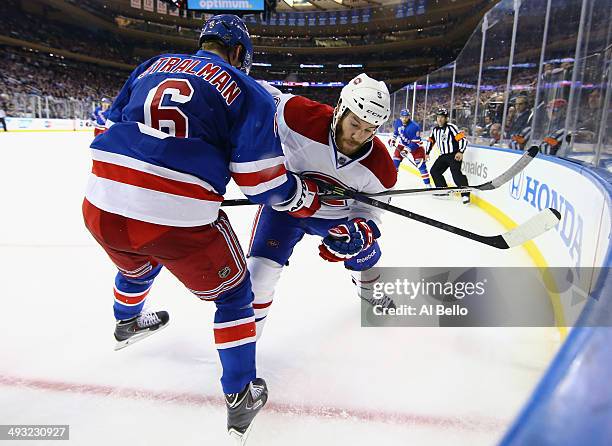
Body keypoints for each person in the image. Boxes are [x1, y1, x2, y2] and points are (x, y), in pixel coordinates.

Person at [81, 14, 321, 443]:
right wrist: (298, 195)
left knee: (137, 260)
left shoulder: (151, 65)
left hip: (100, 200)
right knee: (234, 296)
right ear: (238, 54)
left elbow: (107, 126)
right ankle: (241, 392)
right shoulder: (247, 89)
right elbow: (260, 181)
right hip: (174, 214)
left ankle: (126, 322)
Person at [249, 74, 398, 340]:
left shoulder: (382, 168)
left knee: (365, 255)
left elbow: (372, 210)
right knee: (257, 279)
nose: (358, 135)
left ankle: (368, 291)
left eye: (369, 130)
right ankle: (245, 348)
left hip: (335, 219)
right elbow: (257, 93)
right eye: (355, 123)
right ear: (341, 108)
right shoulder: (299, 116)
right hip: (285, 210)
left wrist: (360, 229)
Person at [426, 108, 470, 204]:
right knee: (434, 171)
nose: (439, 119)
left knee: (456, 174)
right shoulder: (435, 129)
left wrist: (461, 152)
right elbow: (431, 141)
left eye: (442, 117)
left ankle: (465, 195)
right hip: (443, 156)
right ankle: (443, 191)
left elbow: (463, 139)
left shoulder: (451, 127)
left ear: (446, 118)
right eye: (438, 117)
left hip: (454, 155)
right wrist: (427, 153)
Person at [389, 108, 431, 187]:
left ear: (409, 117)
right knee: (395, 162)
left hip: (416, 146)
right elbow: (396, 132)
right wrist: (393, 139)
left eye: (406, 116)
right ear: (400, 117)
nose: (404, 118)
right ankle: (391, 182)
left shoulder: (414, 127)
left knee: (421, 166)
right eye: (403, 117)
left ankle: (428, 185)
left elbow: (415, 142)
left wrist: (406, 150)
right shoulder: (397, 122)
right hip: (402, 144)